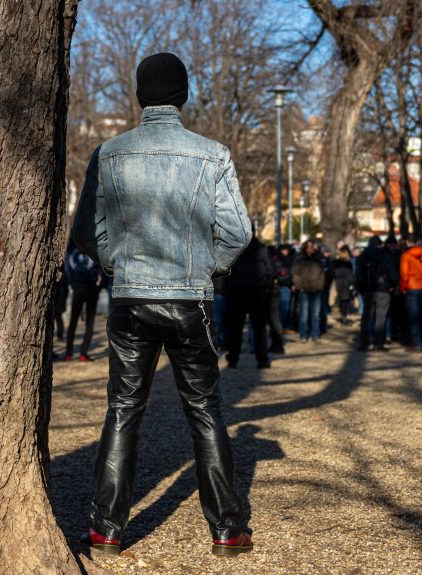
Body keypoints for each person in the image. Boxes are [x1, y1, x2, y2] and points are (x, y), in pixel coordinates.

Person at [71, 52, 254, 557]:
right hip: (189, 297)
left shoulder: (110, 153)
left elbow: (86, 230)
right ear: (183, 95)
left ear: (139, 95)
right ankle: (226, 529)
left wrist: (118, 263)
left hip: (131, 296)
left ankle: (106, 529)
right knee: (205, 410)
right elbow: (239, 232)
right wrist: (207, 266)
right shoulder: (211, 154)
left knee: (123, 410)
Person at [226, 231, 275, 368]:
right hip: (256, 291)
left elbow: (225, 271)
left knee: (235, 328)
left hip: (237, 291)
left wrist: (229, 288)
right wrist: (265, 290)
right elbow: (270, 272)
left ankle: (233, 359)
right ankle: (262, 359)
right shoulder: (262, 250)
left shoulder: (233, 249)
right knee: (259, 328)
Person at [354, 236, 397, 351]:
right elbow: (392, 273)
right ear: (379, 245)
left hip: (366, 290)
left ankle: (364, 343)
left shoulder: (362, 256)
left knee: (366, 317)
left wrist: (359, 288)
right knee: (380, 318)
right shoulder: (384, 256)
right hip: (382, 289)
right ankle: (378, 343)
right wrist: (392, 285)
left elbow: (357, 275)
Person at [64, 243, 102, 361]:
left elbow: (67, 270)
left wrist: (73, 284)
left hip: (79, 289)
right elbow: (102, 268)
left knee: (73, 322)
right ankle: (83, 354)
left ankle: (69, 354)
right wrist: (98, 286)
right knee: (89, 323)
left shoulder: (71, 251)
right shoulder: (93, 249)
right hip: (90, 287)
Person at [292, 241, 326, 343]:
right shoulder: (299, 259)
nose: (312, 248)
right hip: (304, 289)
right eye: (310, 246)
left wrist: (320, 285)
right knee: (304, 315)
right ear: (305, 248)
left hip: (316, 289)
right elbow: (295, 274)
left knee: (316, 315)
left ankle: (315, 334)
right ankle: (303, 334)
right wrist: (299, 286)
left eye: (313, 246)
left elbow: (322, 274)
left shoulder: (317, 259)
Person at [331, 246, 355, 325]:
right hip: (346, 283)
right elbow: (350, 275)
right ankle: (344, 317)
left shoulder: (335, 263)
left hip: (339, 282)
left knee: (343, 300)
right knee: (346, 301)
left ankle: (343, 316)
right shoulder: (347, 264)